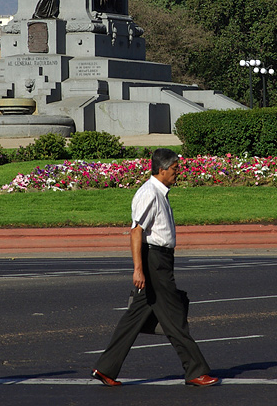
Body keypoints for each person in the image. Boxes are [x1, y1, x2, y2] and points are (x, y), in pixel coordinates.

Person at [92, 148, 218, 387]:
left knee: (134, 317)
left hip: (160, 259)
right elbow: (136, 231)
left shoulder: (160, 192)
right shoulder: (149, 193)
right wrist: (138, 269)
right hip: (154, 261)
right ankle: (195, 370)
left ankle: (106, 368)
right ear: (161, 170)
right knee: (174, 317)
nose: (177, 173)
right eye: (174, 169)